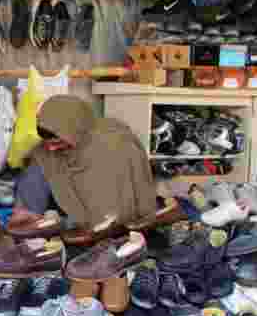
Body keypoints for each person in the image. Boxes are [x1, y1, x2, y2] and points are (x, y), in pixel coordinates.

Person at [11, 95, 156, 229]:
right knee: (38, 163)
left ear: (75, 131)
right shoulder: (47, 151)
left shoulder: (113, 144)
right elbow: (38, 169)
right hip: (69, 215)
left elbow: (122, 202)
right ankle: (29, 227)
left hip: (114, 220)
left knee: (104, 224)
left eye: (58, 142)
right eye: (48, 142)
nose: (51, 148)